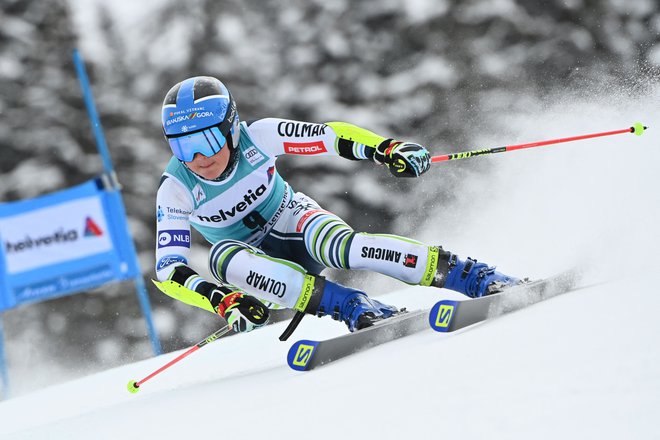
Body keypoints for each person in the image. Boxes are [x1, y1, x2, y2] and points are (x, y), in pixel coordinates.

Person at [154, 76, 521, 338]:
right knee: (222, 257)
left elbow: (329, 137)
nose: (198, 158)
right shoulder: (175, 189)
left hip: (291, 219)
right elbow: (169, 270)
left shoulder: (260, 136)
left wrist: (386, 148)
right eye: (182, 147)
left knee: (343, 247)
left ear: (231, 128)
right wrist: (221, 300)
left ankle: (471, 275)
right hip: (257, 266)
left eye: (206, 139)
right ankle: (350, 306)